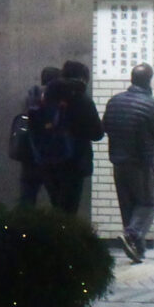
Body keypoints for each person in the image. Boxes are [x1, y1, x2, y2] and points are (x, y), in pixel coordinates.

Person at [101, 65, 154, 262]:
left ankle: (137, 250)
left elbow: (105, 126)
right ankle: (132, 235)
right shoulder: (151, 105)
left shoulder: (114, 102)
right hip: (142, 162)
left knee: (128, 206)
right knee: (149, 203)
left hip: (118, 162)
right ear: (149, 80)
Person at [43, 60, 104, 219]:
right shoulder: (83, 100)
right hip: (75, 161)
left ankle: (54, 240)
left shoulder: (47, 96)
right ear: (83, 78)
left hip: (48, 159)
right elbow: (97, 133)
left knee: (56, 205)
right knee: (69, 209)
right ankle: (66, 240)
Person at [10, 81, 48, 205]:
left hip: (28, 155)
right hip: (47, 156)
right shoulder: (52, 97)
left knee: (27, 195)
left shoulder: (30, 96)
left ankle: (24, 220)